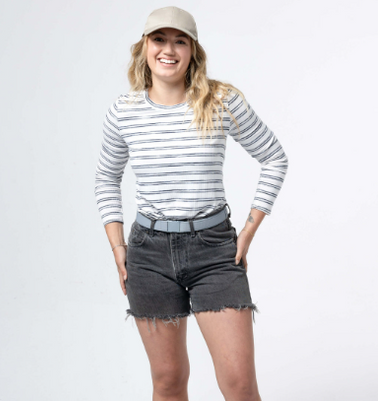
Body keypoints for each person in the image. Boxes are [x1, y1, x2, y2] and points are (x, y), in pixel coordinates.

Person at [94, 6, 288, 401]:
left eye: (179, 41)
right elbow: (106, 178)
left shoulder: (221, 101)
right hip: (148, 254)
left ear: (193, 50)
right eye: (159, 39)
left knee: (239, 384)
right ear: (144, 47)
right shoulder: (124, 112)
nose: (169, 49)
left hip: (214, 251)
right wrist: (118, 248)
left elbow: (274, 158)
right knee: (168, 381)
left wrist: (248, 231)